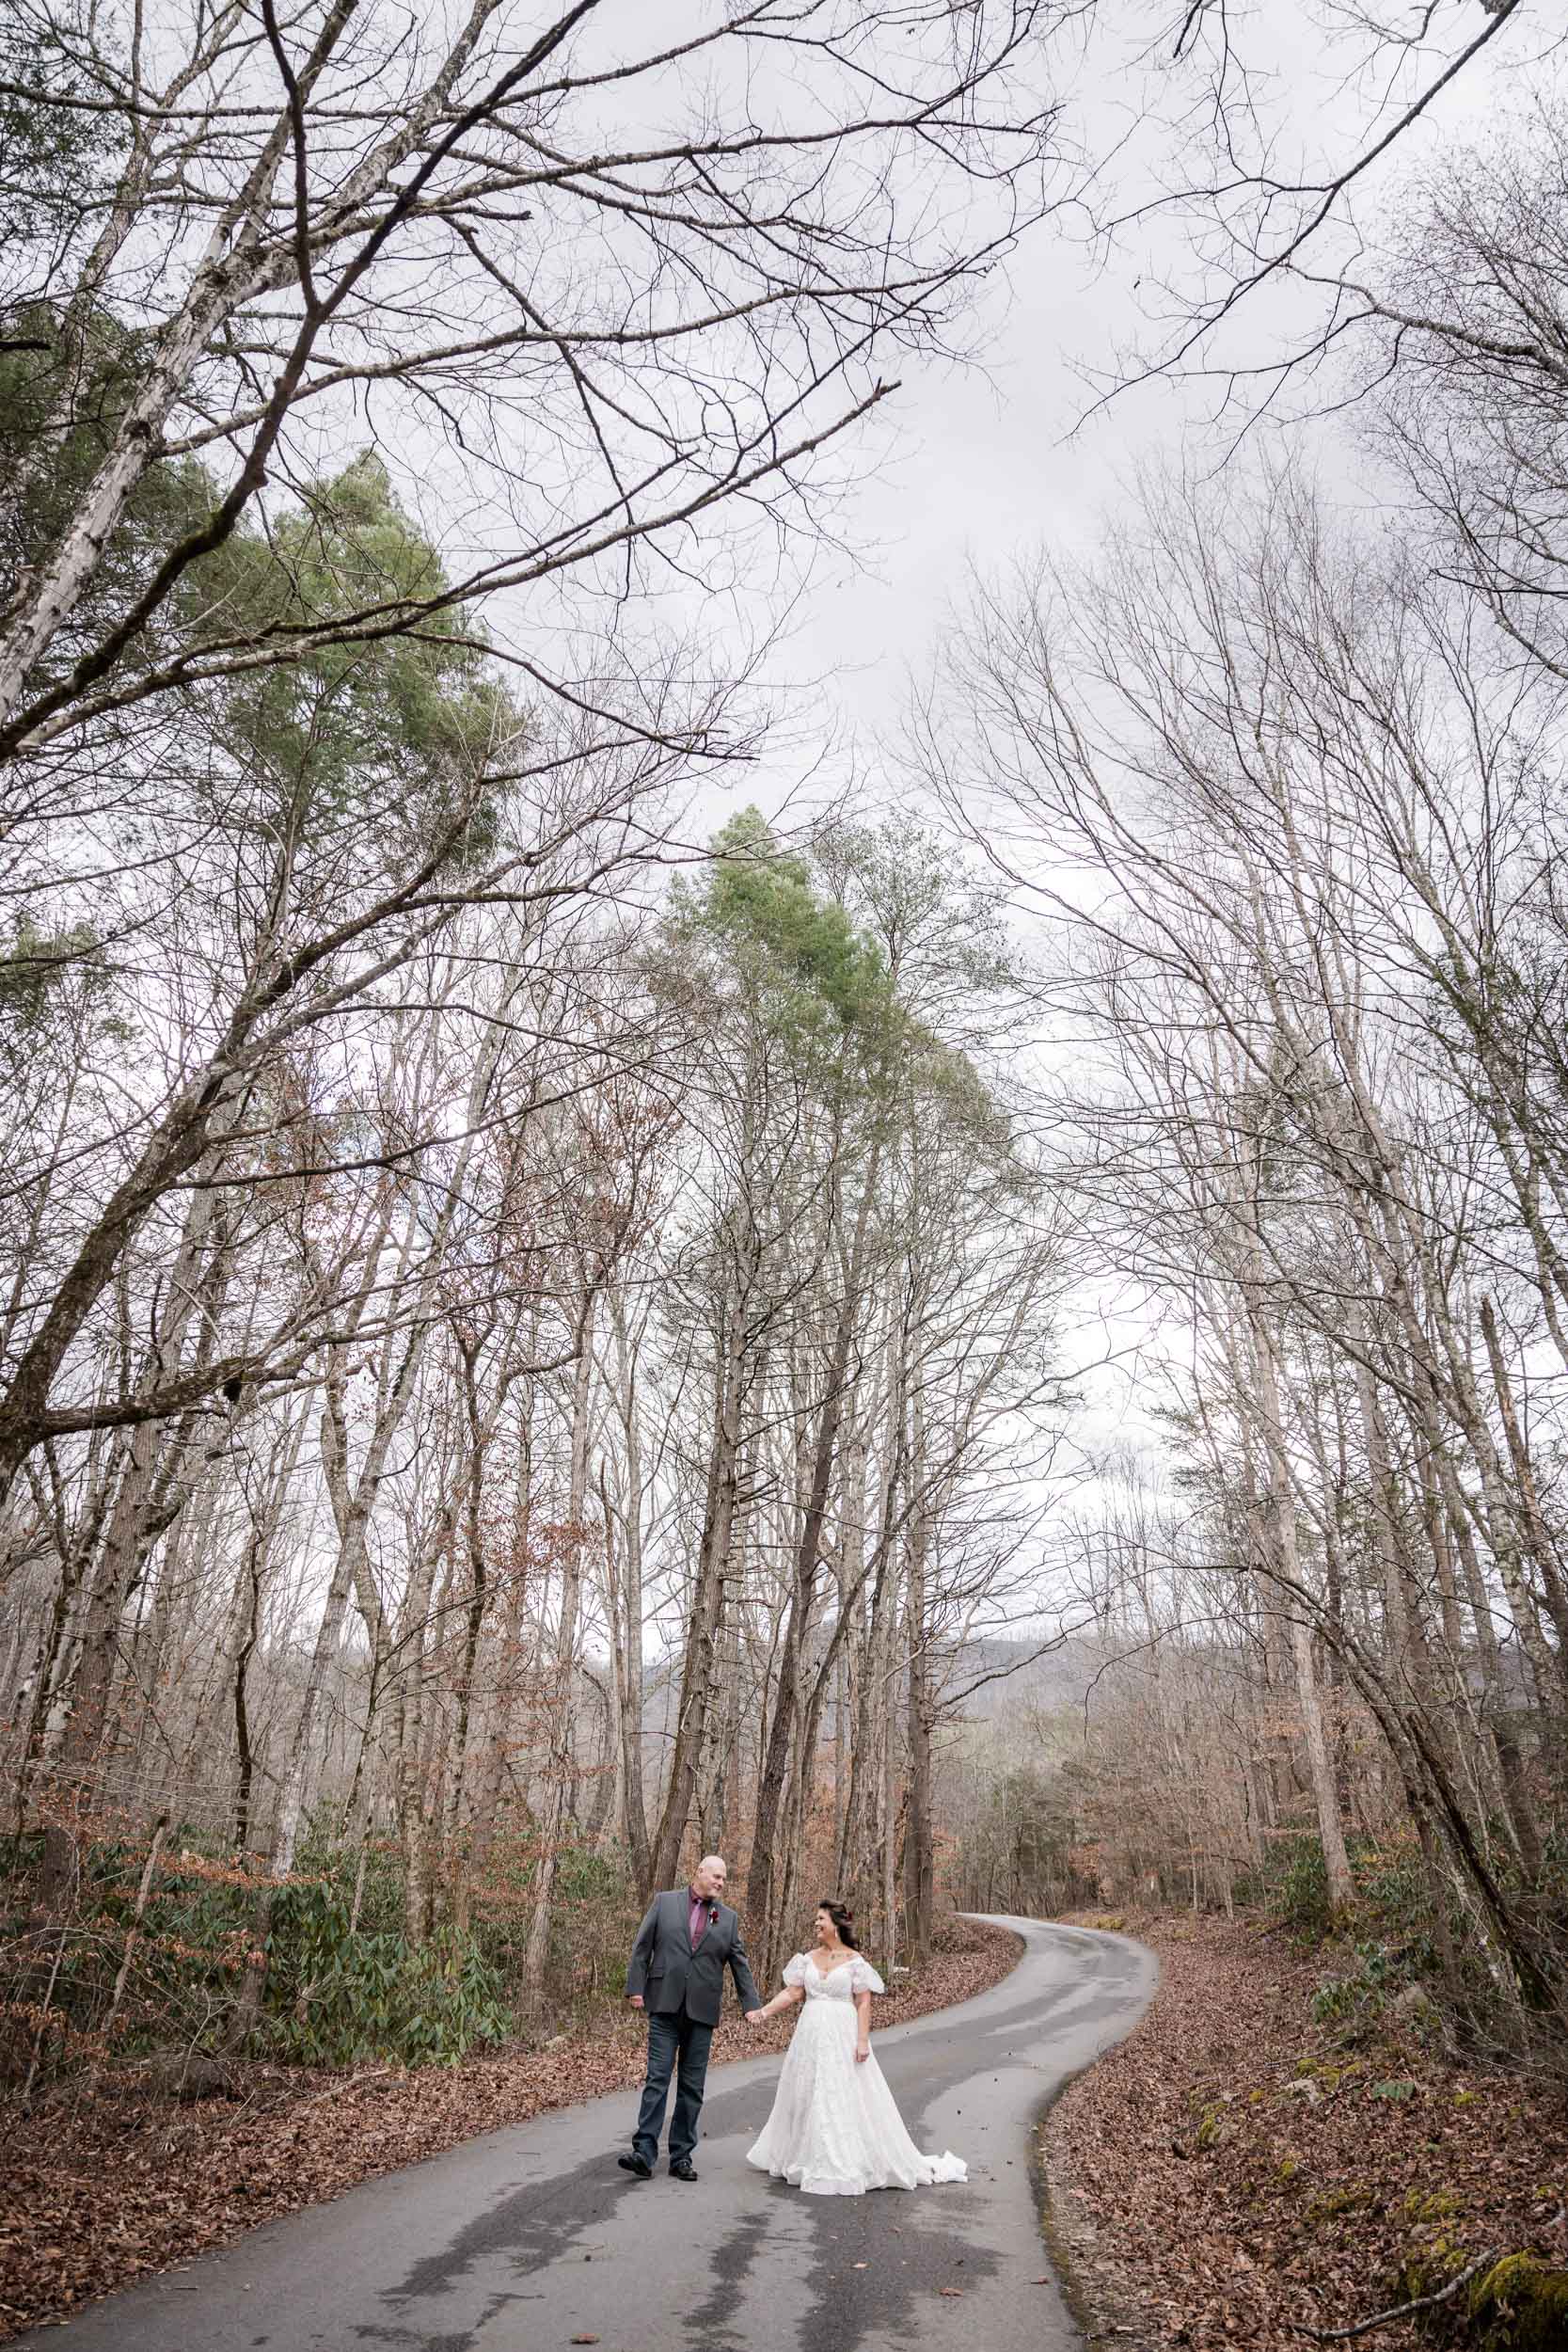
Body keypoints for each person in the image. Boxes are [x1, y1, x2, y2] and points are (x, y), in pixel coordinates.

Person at [745, 1899, 967, 2196]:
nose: (816, 1924)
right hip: (809, 2034)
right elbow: (793, 1992)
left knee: (837, 2091)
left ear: (836, 1925)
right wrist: (764, 2012)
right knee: (806, 2090)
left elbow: (863, 2001)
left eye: (820, 1919)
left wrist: (862, 2040)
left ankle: (839, 2159)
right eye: (815, 1919)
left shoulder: (854, 1961)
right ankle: (802, 2155)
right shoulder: (808, 1958)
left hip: (841, 2033)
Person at [618, 1853, 765, 2182]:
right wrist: (635, 1988)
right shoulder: (664, 1903)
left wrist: (750, 2004)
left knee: (691, 2086)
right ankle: (644, 2151)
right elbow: (642, 1948)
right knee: (657, 2079)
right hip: (664, 2005)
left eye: (724, 1879)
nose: (721, 1883)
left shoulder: (727, 1919)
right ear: (698, 1872)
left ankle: (681, 2156)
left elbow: (739, 1963)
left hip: (701, 2011)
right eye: (716, 1876)